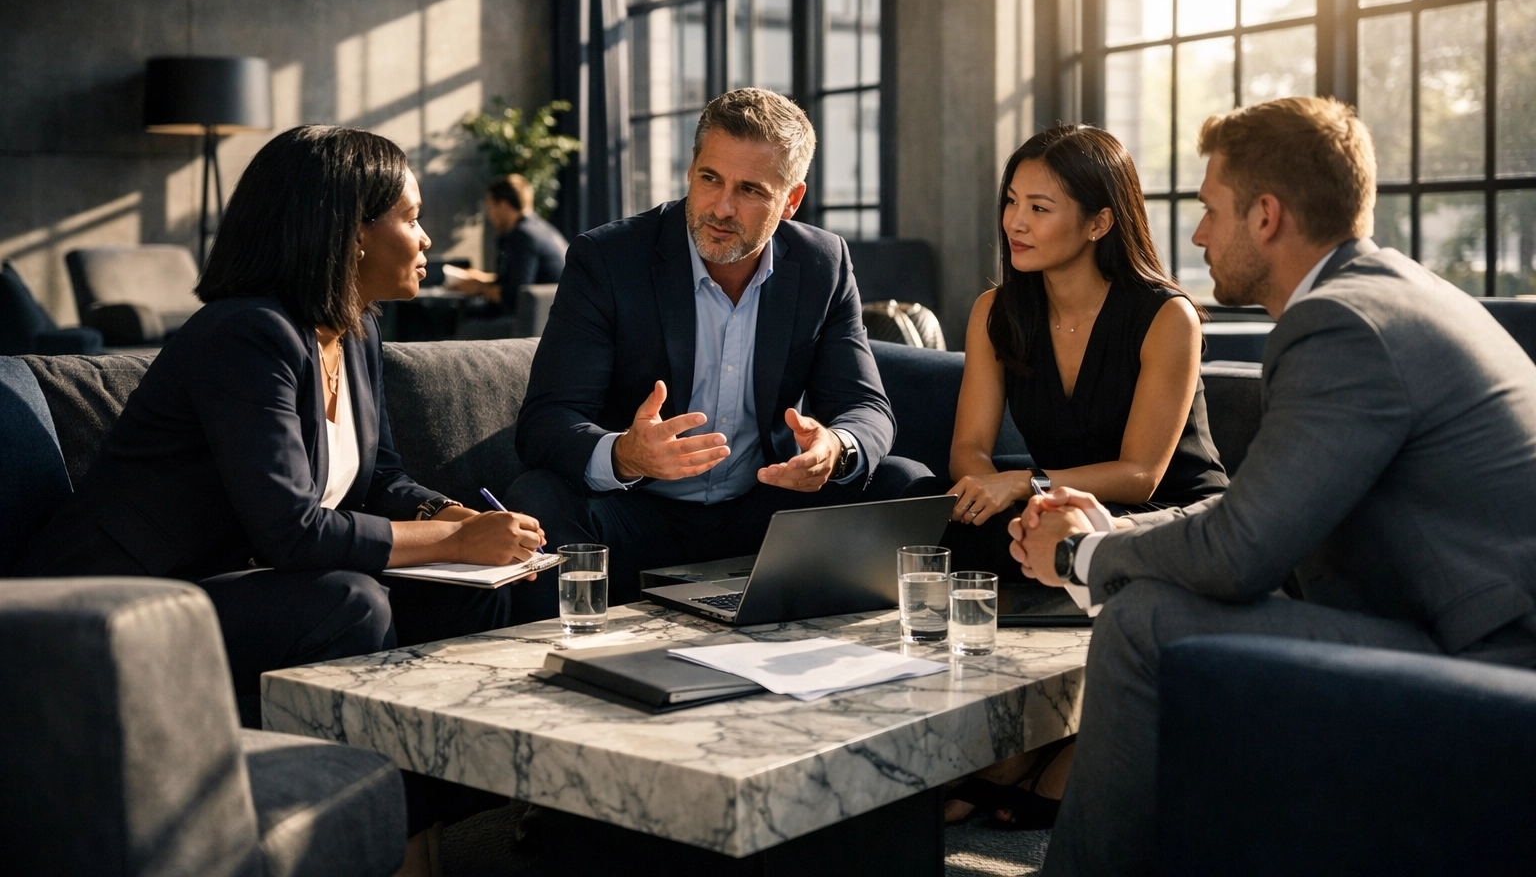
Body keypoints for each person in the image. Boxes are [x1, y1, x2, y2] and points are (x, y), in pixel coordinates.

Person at [1011, 96, 1536, 876]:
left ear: (1265, 216)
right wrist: (1116, 534)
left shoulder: (1341, 326)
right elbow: (1260, 504)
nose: (1196, 235)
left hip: (1491, 666)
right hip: (1459, 631)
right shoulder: (1385, 292)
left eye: (1208, 210)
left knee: (1144, 621)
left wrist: (1085, 556)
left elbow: (1242, 551)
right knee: (1153, 604)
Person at [17, 126, 550, 703]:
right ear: (351, 234)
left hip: (234, 577)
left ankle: (442, 782)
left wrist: (459, 516)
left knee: (473, 591)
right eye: (412, 218)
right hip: (124, 598)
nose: (427, 241)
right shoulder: (248, 335)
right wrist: (452, 539)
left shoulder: (357, 329)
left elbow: (380, 479)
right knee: (349, 604)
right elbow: (291, 533)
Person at [508, 87, 929, 608]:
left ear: (791, 200)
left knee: (906, 481)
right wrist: (626, 453)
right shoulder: (608, 260)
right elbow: (547, 421)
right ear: (691, 170)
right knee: (538, 498)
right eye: (710, 179)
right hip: (635, 512)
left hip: (764, 511)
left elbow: (867, 407)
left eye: (751, 190)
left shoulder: (823, 262)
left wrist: (835, 450)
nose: (721, 207)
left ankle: (850, 662)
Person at [929, 124, 1228, 828]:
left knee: (1056, 529)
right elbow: (969, 447)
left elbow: (1141, 472)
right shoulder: (997, 310)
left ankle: (1047, 747)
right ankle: (1006, 737)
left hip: (1161, 511)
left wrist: (1022, 484)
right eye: (1011, 202)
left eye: (1040, 206)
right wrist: (983, 485)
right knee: (932, 517)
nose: (1015, 223)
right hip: (1052, 500)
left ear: (1099, 221)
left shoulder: (1166, 316)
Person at [446, 173, 567, 313]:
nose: (489, 216)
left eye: (490, 208)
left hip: (533, 321)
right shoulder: (539, 228)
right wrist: (478, 279)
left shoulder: (523, 236)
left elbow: (514, 298)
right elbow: (515, 282)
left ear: (503, 205)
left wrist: (478, 288)